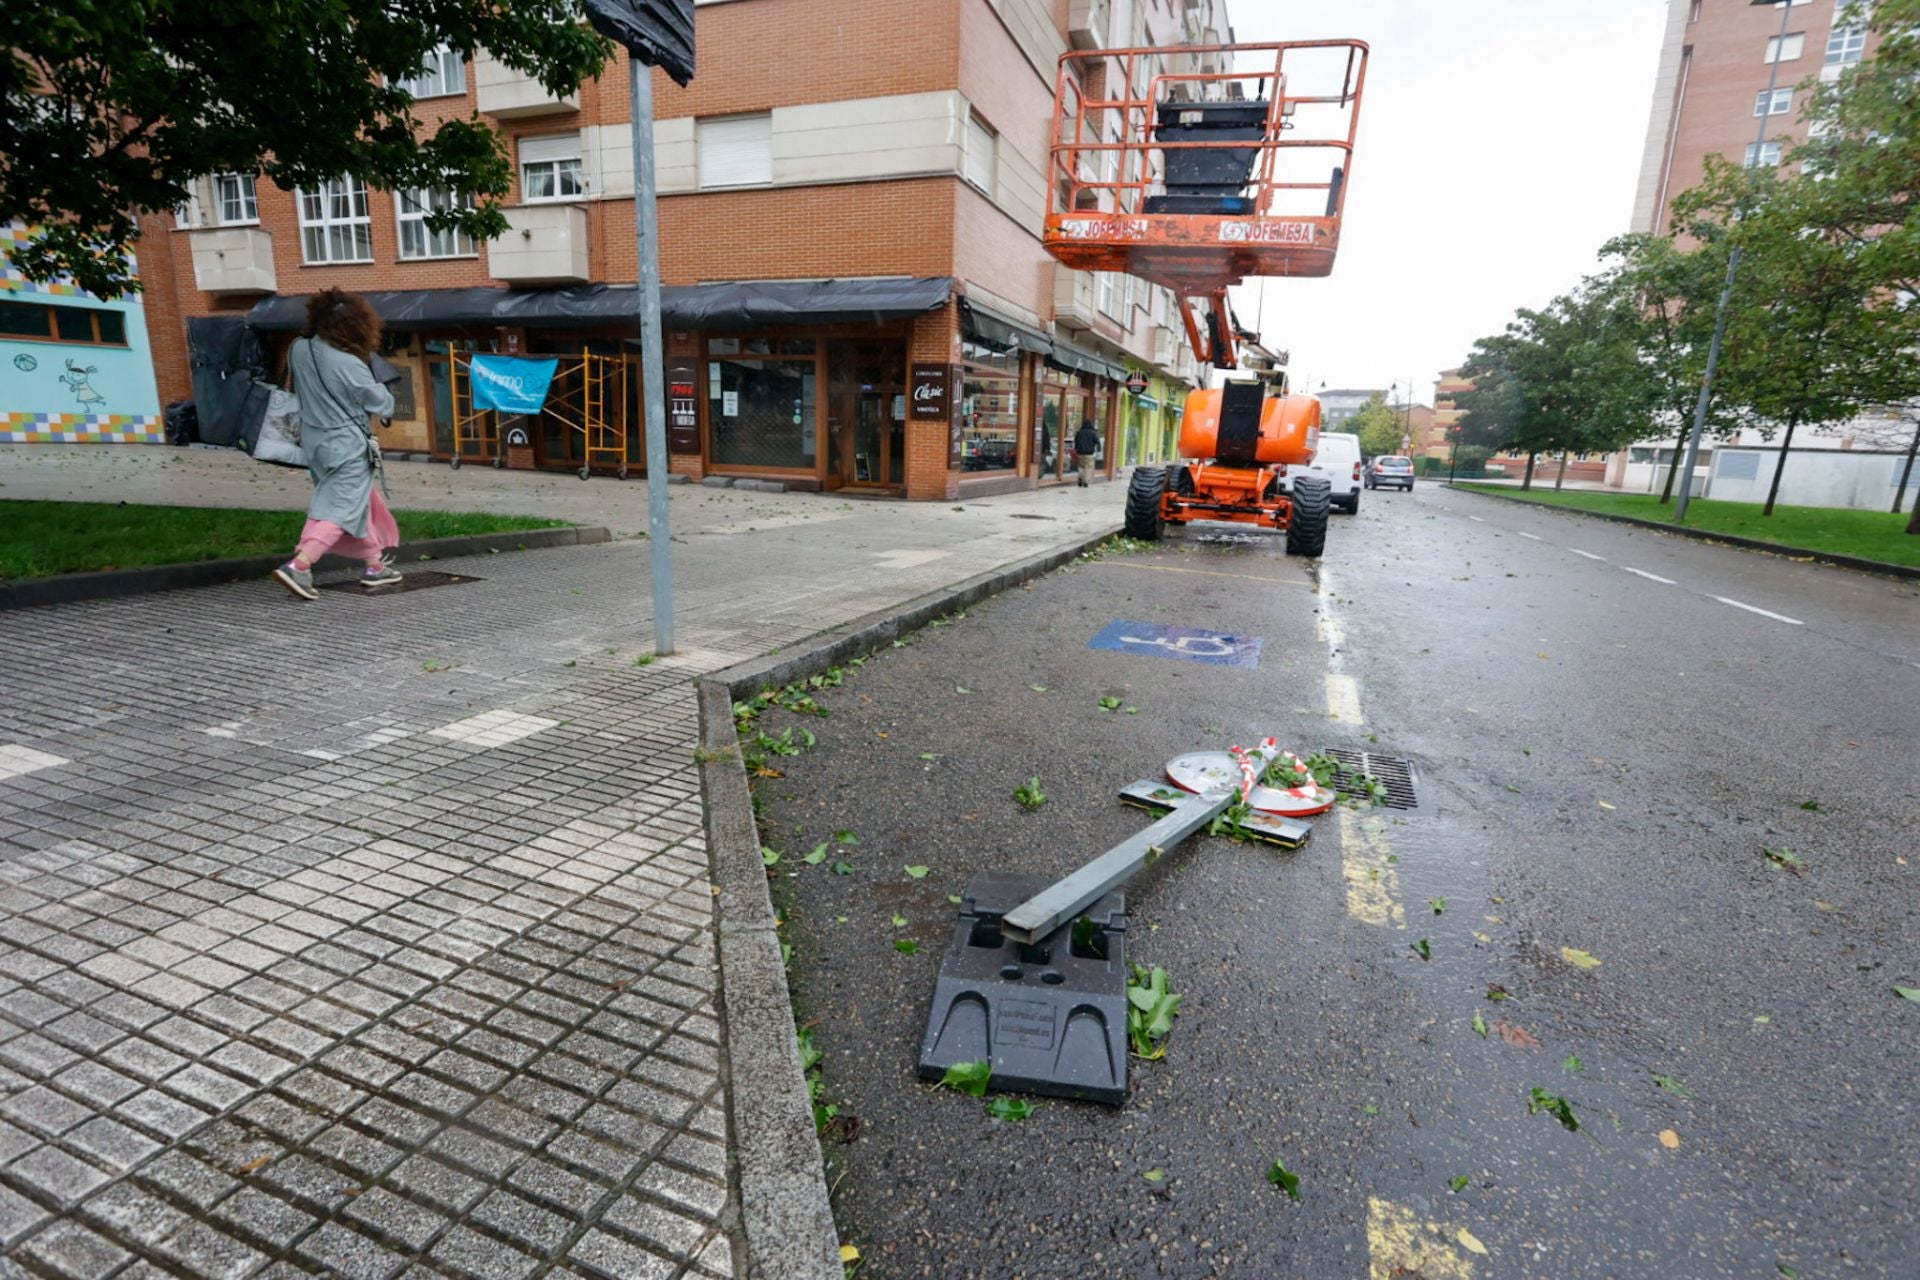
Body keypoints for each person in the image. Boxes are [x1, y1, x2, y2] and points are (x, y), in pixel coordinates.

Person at [272, 290, 402, 600]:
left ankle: (374, 566)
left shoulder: (298, 349)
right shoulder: (349, 363)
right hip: (347, 446)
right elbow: (381, 403)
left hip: (315, 444)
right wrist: (385, 392)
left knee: (357, 502)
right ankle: (300, 566)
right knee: (340, 508)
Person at [1073, 418, 1101, 487]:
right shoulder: (1093, 433)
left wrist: (1076, 450)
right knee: (1088, 467)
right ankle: (1085, 481)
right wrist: (1098, 451)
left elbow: (1075, 442)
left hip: (1080, 453)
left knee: (1081, 467)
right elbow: (1098, 442)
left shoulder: (1079, 433)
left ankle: (1080, 479)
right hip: (1089, 454)